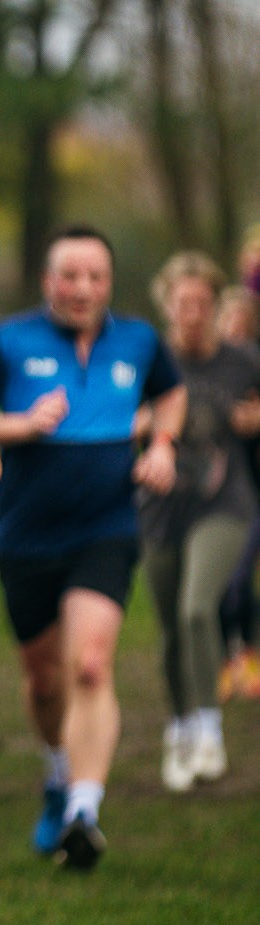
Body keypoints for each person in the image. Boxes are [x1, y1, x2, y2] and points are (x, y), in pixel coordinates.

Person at [0, 226, 185, 868]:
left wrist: (163, 445)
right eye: (70, 275)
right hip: (26, 536)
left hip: (106, 528)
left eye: (95, 276)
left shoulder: (139, 340)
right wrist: (21, 424)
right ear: (48, 281)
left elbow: (171, 393)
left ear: (110, 283)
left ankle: (84, 813)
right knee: (45, 682)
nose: (82, 288)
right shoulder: (9, 340)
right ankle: (59, 772)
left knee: (91, 664)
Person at [141, 254, 260, 790]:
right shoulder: (148, 360)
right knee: (171, 629)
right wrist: (144, 424)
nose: (193, 313)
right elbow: (114, 413)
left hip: (225, 503)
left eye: (203, 303)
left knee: (196, 610)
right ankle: (181, 728)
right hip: (161, 507)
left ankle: (209, 730)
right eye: (182, 303)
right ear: (166, 305)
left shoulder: (242, 361)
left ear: (216, 304)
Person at [215, 286, 260, 703]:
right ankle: (224, 659)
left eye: (242, 324)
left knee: (239, 578)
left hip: (251, 493)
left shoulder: (253, 370)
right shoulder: (206, 371)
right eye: (229, 321)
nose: (235, 330)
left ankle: (246, 654)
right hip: (213, 497)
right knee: (221, 582)